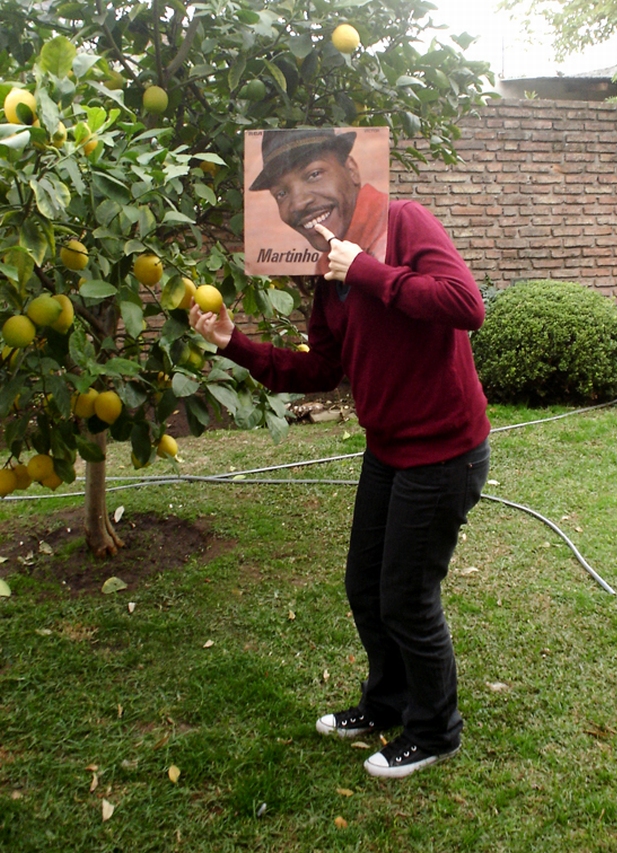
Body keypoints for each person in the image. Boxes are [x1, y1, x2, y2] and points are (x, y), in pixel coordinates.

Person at [190, 186, 491, 779]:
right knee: (365, 586)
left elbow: (466, 304)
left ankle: (435, 730)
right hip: (387, 450)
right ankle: (387, 702)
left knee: (407, 597)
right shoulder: (327, 281)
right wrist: (235, 345)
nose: (305, 208)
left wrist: (369, 270)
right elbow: (323, 368)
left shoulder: (405, 223)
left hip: (444, 450)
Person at [248, 128, 389, 275]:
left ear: (351, 170)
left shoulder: (398, 222)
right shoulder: (328, 262)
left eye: (314, 174)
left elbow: (414, 293)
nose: (298, 204)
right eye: (281, 193)